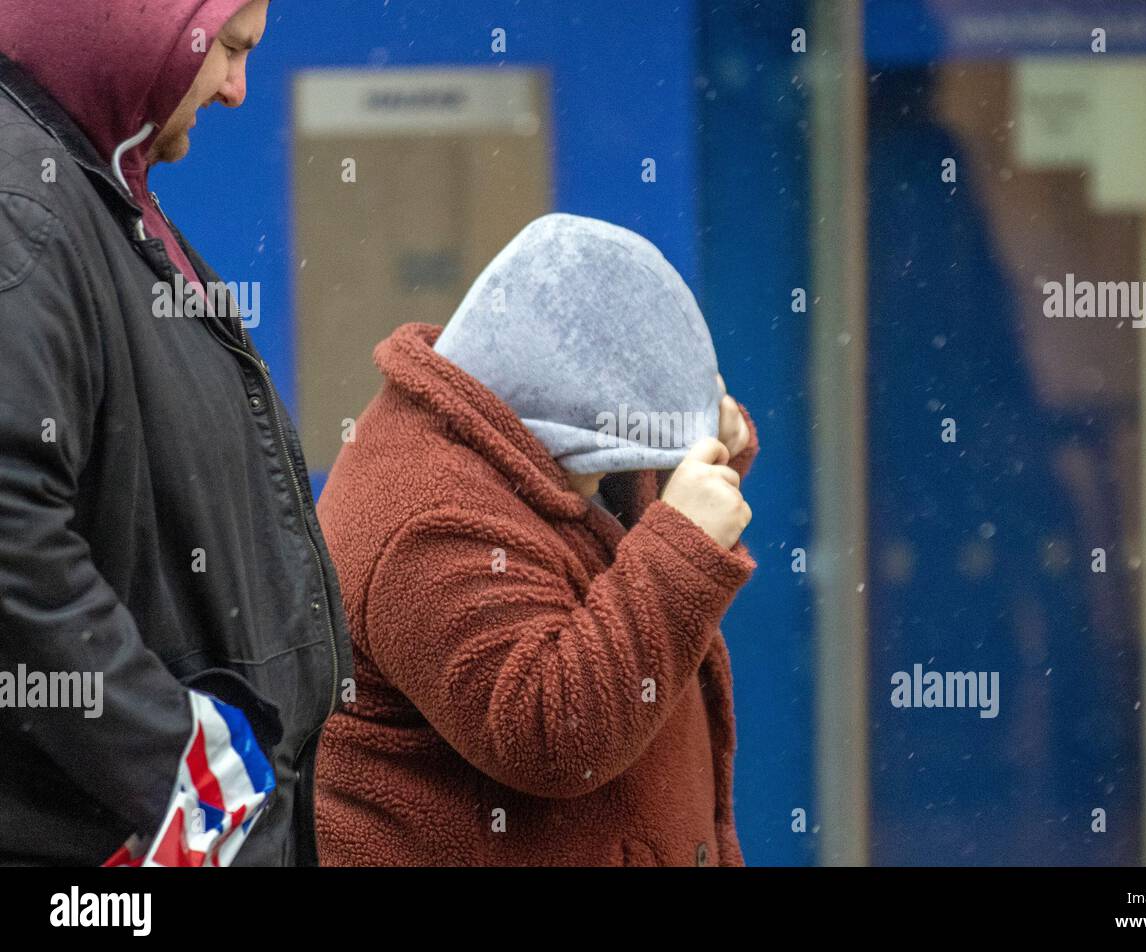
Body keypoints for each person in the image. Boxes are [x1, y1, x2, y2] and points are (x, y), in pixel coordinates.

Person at [0, 0, 352, 866]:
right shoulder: (27, 210)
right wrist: (177, 769)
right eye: (231, 48)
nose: (238, 90)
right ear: (138, 21)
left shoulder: (92, 197)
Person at [314, 213, 757, 866]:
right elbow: (552, 735)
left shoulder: (494, 428)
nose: (607, 477)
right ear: (566, 419)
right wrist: (682, 543)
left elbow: (592, 543)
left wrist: (679, 460)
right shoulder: (426, 518)